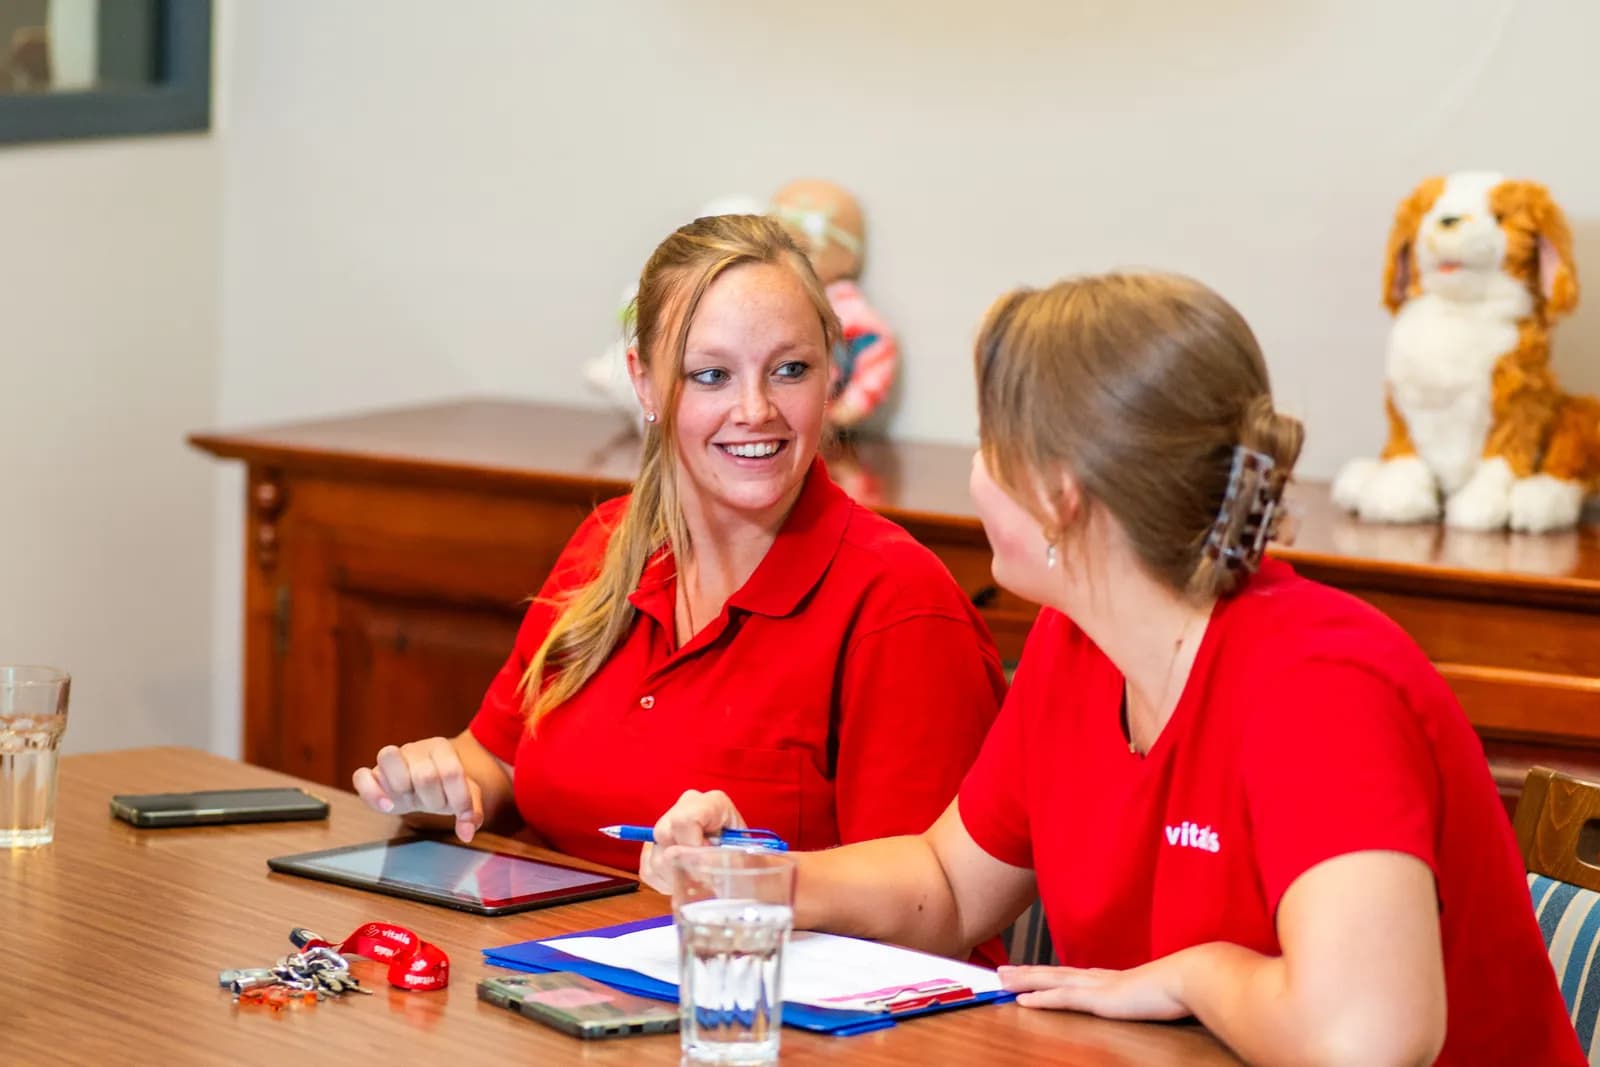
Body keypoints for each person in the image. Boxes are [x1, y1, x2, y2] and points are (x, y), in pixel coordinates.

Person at [643, 272, 1584, 1066]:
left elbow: (1365, 1041)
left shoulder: (1320, 683)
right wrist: (756, 880)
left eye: (990, 444)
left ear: (1060, 494)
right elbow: (950, 883)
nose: (974, 472)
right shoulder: (1075, 642)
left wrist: (1196, 973)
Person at [351, 214, 1006, 875]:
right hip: (546, 940)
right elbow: (497, 761)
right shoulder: (606, 544)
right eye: (711, 375)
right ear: (644, 383)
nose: (755, 410)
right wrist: (437, 782)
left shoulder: (902, 603)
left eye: (790, 369)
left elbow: (930, 901)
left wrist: (751, 881)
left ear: (829, 373)